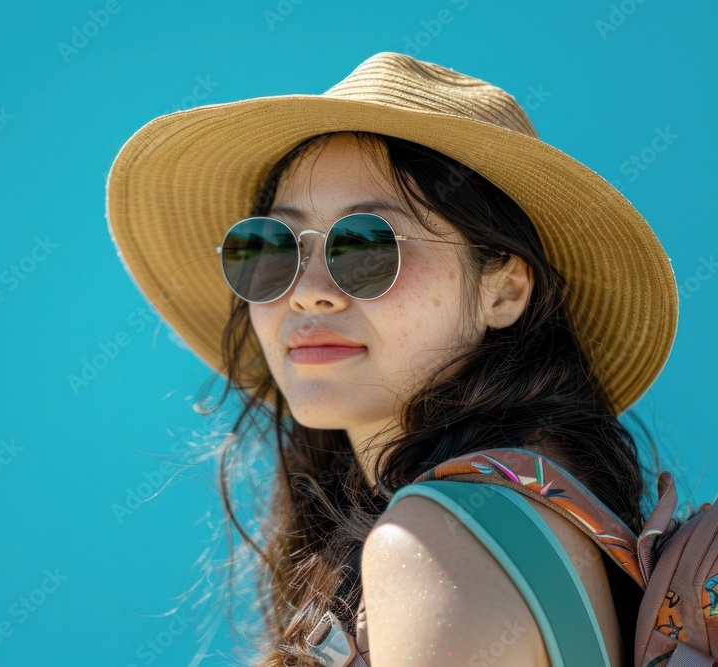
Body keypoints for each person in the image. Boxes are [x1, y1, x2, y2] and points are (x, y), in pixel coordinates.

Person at [105, 52, 677, 665]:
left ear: (504, 289)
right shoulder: (560, 522)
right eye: (270, 248)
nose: (307, 288)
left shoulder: (431, 540)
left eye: (367, 244)